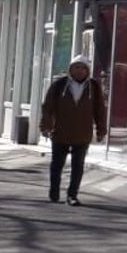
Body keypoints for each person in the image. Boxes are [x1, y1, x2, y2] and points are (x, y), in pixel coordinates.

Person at [40, 55, 106, 206]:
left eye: (83, 68)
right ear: (70, 69)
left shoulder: (93, 87)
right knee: (57, 164)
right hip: (60, 132)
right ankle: (54, 191)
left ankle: (72, 195)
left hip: (82, 133)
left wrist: (101, 130)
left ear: (88, 70)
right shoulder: (60, 85)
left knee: (78, 166)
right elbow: (48, 107)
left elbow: (100, 110)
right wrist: (46, 126)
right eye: (76, 67)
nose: (80, 71)